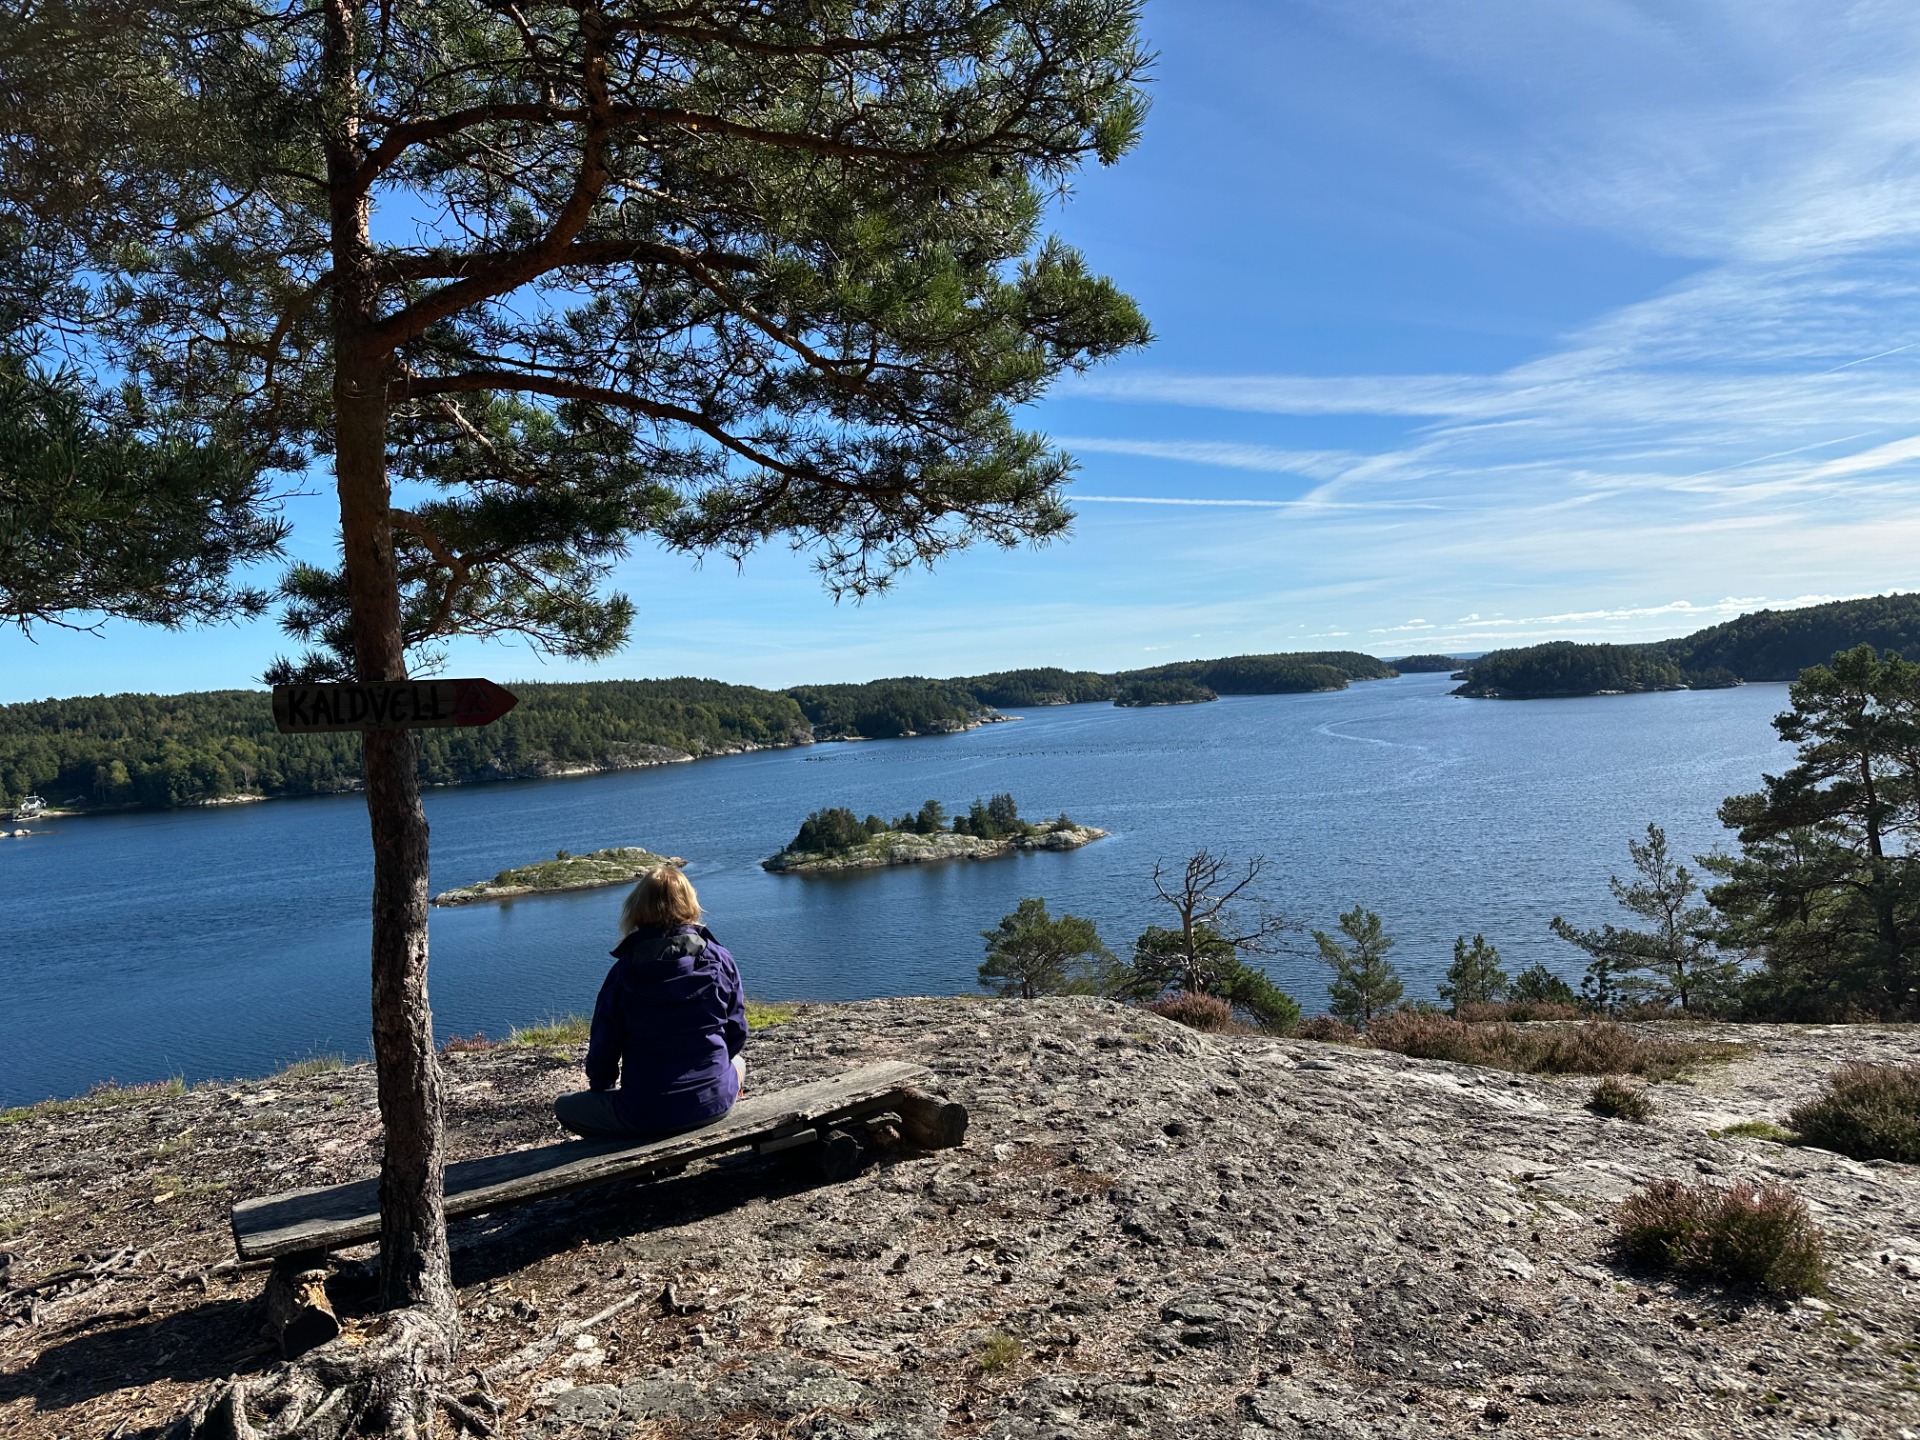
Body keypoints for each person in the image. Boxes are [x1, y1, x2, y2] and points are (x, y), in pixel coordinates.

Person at [553, 866, 748, 1140]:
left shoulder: (623, 972)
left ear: (638, 907)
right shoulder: (720, 958)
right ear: (690, 902)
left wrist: (603, 1087)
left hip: (646, 1113)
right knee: (739, 1063)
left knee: (564, 1106)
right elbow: (737, 1031)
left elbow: (604, 1046)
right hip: (715, 1102)